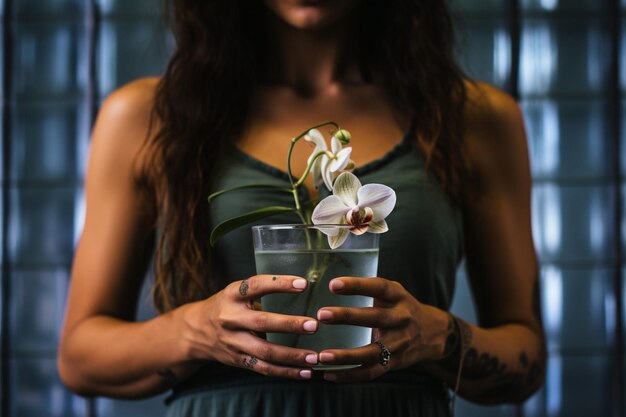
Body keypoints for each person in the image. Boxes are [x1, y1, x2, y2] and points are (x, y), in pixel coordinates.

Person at [58, 0, 546, 416]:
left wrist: (437, 336)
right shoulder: (147, 117)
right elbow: (80, 357)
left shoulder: (473, 120)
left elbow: (526, 357)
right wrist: (197, 330)